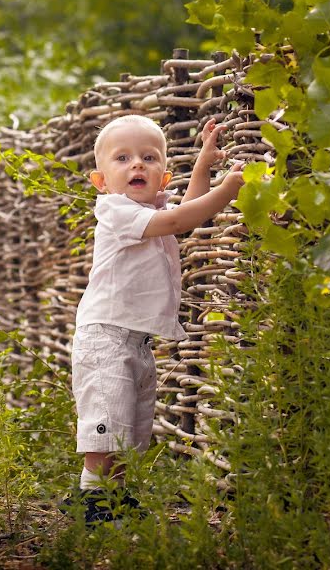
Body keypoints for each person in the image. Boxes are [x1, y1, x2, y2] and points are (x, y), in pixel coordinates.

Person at [66, 114, 244, 525]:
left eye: (149, 157)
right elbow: (184, 220)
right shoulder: (115, 211)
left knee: (131, 427)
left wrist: (203, 164)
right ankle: (91, 500)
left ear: (163, 177)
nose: (137, 165)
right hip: (105, 337)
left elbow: (184, 212)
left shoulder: (152, 211)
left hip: (135, 340)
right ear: (101, 181)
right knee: (108, 421)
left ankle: (117, 498)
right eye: (123, 158)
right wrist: (228, 189)